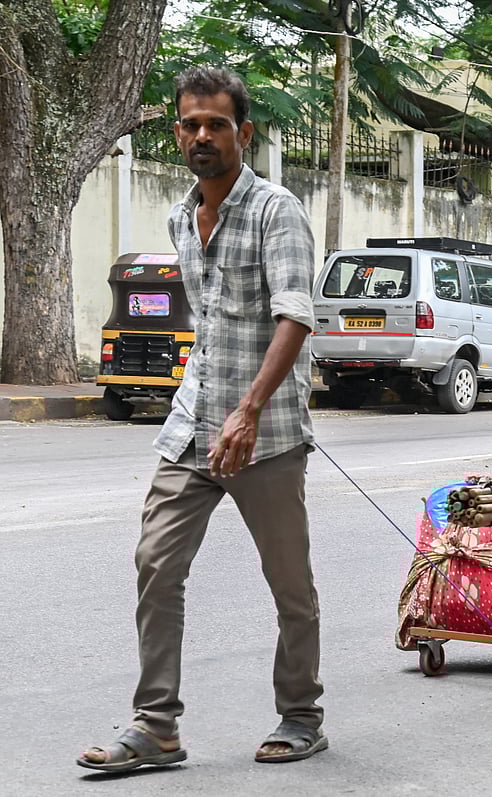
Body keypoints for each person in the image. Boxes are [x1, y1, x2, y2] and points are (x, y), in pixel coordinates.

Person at [80, 67, 326, 773]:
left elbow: (295, 315)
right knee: (156, 563)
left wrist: (249, 410)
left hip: (266, 432)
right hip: (194, 427)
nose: (202, 135)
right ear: (177, 131)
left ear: (242, 133)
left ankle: (301, 713)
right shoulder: (180, 217)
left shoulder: (277, 210)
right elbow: (213, 324)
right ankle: (157, 726)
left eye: (217, 124)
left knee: (290, 583)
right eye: (190, 123)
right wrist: (207, 407)